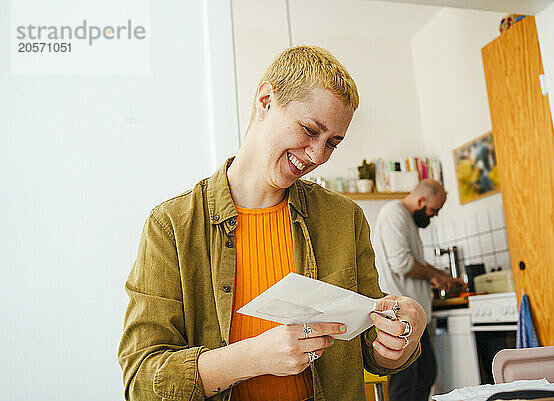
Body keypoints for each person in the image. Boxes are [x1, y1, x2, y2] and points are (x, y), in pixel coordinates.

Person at [118, 45, 427, 401]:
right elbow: (142, 382)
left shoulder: (345, 218)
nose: (317, 156)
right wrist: (253, 358)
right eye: (310, 130)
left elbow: (371, 349)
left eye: (332, 144)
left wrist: (401, 335)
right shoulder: (171, 226)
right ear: (265, 100)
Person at [372, 179, 466, 401]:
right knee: (406, 383)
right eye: (434, 210)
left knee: (425, 375)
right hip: (399, 318)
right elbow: (403, 264)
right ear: (421, 200)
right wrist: (434, 276)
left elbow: (416, 262)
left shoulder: (406, 220)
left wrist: (444, 277)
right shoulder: (394, 214)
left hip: (412, 318)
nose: (435, 215)